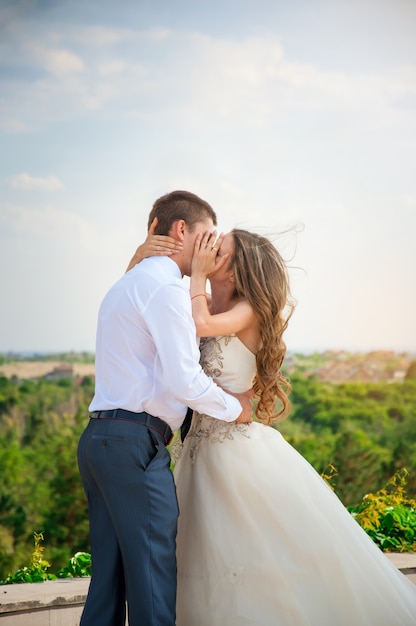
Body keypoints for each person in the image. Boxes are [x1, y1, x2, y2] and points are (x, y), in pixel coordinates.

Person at [133, 226, 416, 625]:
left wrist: (195, 273)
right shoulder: (204, 303)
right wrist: (145, 256)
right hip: (198, 454)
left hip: (237, 456)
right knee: (201, 561)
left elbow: (196, 325)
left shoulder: (247, 310)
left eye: (220, 249)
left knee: (248, 559)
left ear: (234, 270)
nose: (209, 249)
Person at [77, 190, 253, 626]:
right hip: (135, 445)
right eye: (208, 237)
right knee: (153, 586)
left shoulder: (127, 282)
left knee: (108, 586)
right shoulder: (167, 291)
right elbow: (185, 381)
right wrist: (237, 410)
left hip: (99, 441)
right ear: (181, 230)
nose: (212, 251)